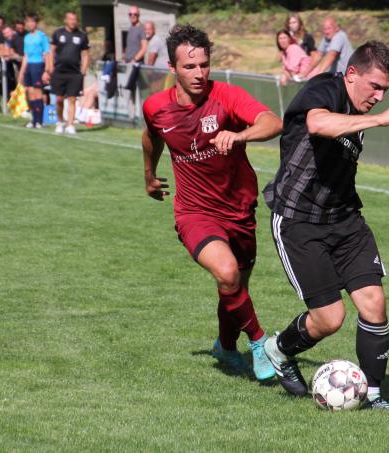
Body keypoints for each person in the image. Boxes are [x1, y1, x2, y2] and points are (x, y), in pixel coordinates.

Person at [261, 40, 389, 410]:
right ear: (352, 74)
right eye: (375, 86)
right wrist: (379, 118)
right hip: (299, 219)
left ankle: (373, 395)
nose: (379, 96)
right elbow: (318, 123)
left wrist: (370, 116)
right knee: (329, 319)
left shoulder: (359, 108)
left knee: (374, 302)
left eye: (385, 91)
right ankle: (278, 349)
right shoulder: (325, 88)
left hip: (345, 219)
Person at [141, 25, 283, 380]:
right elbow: (151, 137)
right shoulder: (156, 107)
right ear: (173, 68)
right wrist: (149, 175)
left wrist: (240, 135)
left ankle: (225, 347)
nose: (199, 73)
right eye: (189, 66)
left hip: (240, 210)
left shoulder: (227, 96)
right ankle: (260, 343)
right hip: (195, 213)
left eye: (204, 65)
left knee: (234, 286)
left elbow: (272, 122)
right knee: (227, 272)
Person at [47, 11, 90, 135]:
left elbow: (86, 54)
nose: (72, 22)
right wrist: (50, 66)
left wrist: (83, 71)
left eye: (74, 19)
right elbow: (51, 51)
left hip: (75, 73)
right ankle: (60, 122)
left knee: (72, 99)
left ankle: (70, 124)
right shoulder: (58, 33)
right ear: (66, 20)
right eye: (70, 19)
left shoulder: (82, 35)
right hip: (59, 71)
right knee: (59, 99)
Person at [18, 13, 49, 129]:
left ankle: (40, 121)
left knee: (37, 93)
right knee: (30, 93)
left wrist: (46, 71)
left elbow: (47, 53)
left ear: (36, 23)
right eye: (28, 21)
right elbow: (26, 56)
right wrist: (22, 72)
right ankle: (33, 119)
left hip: (38, 65)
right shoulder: (26, 37)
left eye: (32, 21)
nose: (30, 24)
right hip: (29, 67)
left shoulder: (42, 36)